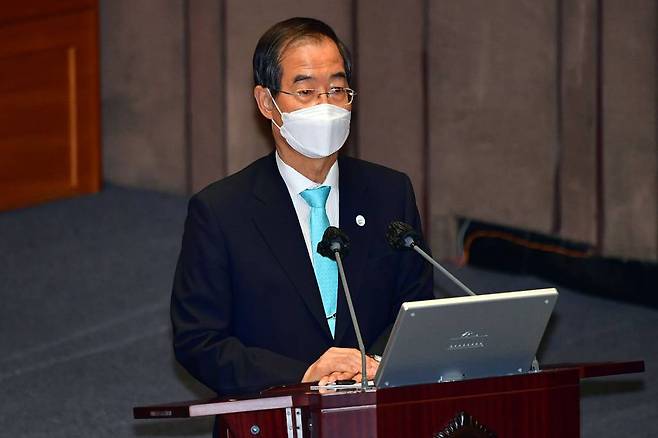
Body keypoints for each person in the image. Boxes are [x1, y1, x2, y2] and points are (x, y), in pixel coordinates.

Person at [170, 17, 433, 397]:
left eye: (337, 89)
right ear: (267, 102)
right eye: (306, 91)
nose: (326, 105)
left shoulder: (390, 193)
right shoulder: (221, 211)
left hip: (374, 405)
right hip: (274, 414)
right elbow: (199, 341)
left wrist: (382, 364)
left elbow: (417, 308)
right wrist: (302, 373)